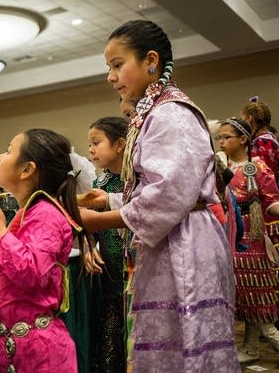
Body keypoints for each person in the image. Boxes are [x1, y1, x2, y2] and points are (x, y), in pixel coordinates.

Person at [78, 20, 240, 371]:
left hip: (184, 242)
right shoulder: (154, 111)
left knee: (186, 344)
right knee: (170, 345)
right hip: (173, 238)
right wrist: (107, 200)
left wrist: (100, 219)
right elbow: (154, 189)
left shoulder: (171, 113)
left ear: (151, 61)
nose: (110, 76)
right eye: (109, 67)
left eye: (117, 65)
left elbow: (169, 195)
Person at [0, 128, 97, 373]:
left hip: (40, 353)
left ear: (27, 169)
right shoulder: (28, 213)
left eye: (9, 150)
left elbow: (32, 274)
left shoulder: (46, 215)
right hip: (16, 349)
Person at [217, 117, 279, 363]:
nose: (221, 142)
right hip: (227, 233)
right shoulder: (220, 168)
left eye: (226, 137)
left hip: (251, 235)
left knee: (255, 292)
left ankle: (267, 337)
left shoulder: (258, 167)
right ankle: (251, 347)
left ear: (243, 139)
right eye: (219, 138)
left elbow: (271, 202)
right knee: (244, 294)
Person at [87, 116, 128, 373]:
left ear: (121, 144)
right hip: (111, 274)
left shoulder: (136, 182)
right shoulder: (97, 185)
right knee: (111, 325)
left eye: (96, 142)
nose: (91, 149)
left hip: (135, 269)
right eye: (89, 144)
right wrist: (90, 247)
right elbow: (87, 228)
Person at [241, 97, 278, 187]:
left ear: (249, 118)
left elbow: (263, 175)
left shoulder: (262, 142)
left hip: (268, 194)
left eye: (242, 119)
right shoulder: (267, 139)